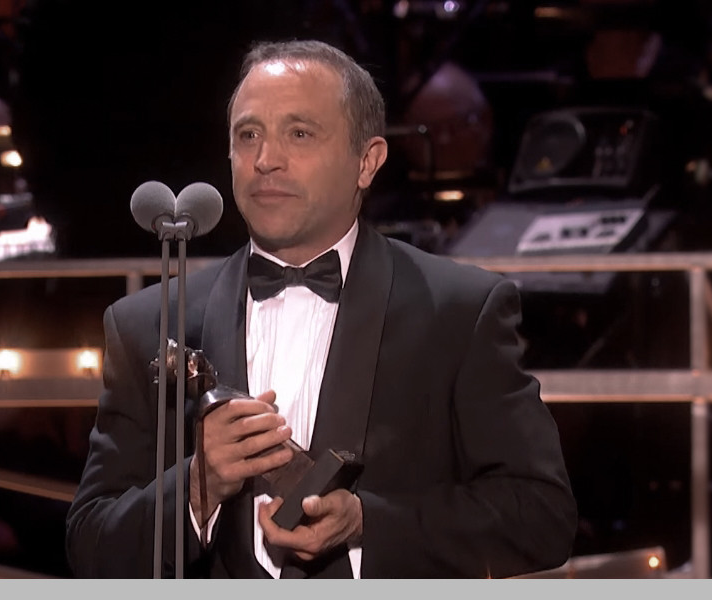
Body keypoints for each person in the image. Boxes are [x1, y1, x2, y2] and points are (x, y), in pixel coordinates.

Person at [65, 39, 577, 579]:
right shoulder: (148, 324)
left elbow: (541, 516)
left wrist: (367, 524)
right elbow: (90, 546)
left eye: (300, 134)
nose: (266, 160)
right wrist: (197, 486)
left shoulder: (459, 311)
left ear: (367, 162)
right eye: (248, 135)